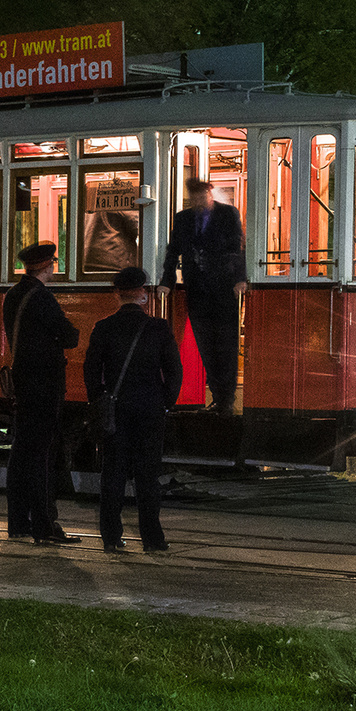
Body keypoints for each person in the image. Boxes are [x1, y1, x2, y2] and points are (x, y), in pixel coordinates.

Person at [84, 266, 182, 552]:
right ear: (142, 293)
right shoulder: (159, 328)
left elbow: (91, 370)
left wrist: (99, 400)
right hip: (150, 409)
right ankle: (153, 539)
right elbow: (174, 371)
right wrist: (166, 401)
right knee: (148, 477)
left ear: (117, 294)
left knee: (112, 474)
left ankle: (111, 538)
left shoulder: (103, 328)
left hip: (115, 411)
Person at [2, 241, 80, 545]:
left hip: (22, 383)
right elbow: (70, 336)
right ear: (48, 266)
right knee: (43, 456)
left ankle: (18, 522)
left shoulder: (13, 295)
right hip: (44, 386)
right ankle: (45, 526)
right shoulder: (42, 298)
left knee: (21, 453)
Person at [157, 178, 247, 414]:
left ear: (210, 194)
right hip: (197, 290)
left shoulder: (228, 214)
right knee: (206, 345)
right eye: (192, 198)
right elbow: (172, 252)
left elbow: (237, 248)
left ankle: (225, 400)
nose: (196, 202)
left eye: (200, 197)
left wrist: (240, 279)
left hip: (224, 290)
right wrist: (167, 282)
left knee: (226, 346)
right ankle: (218, 398)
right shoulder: (183, 218)